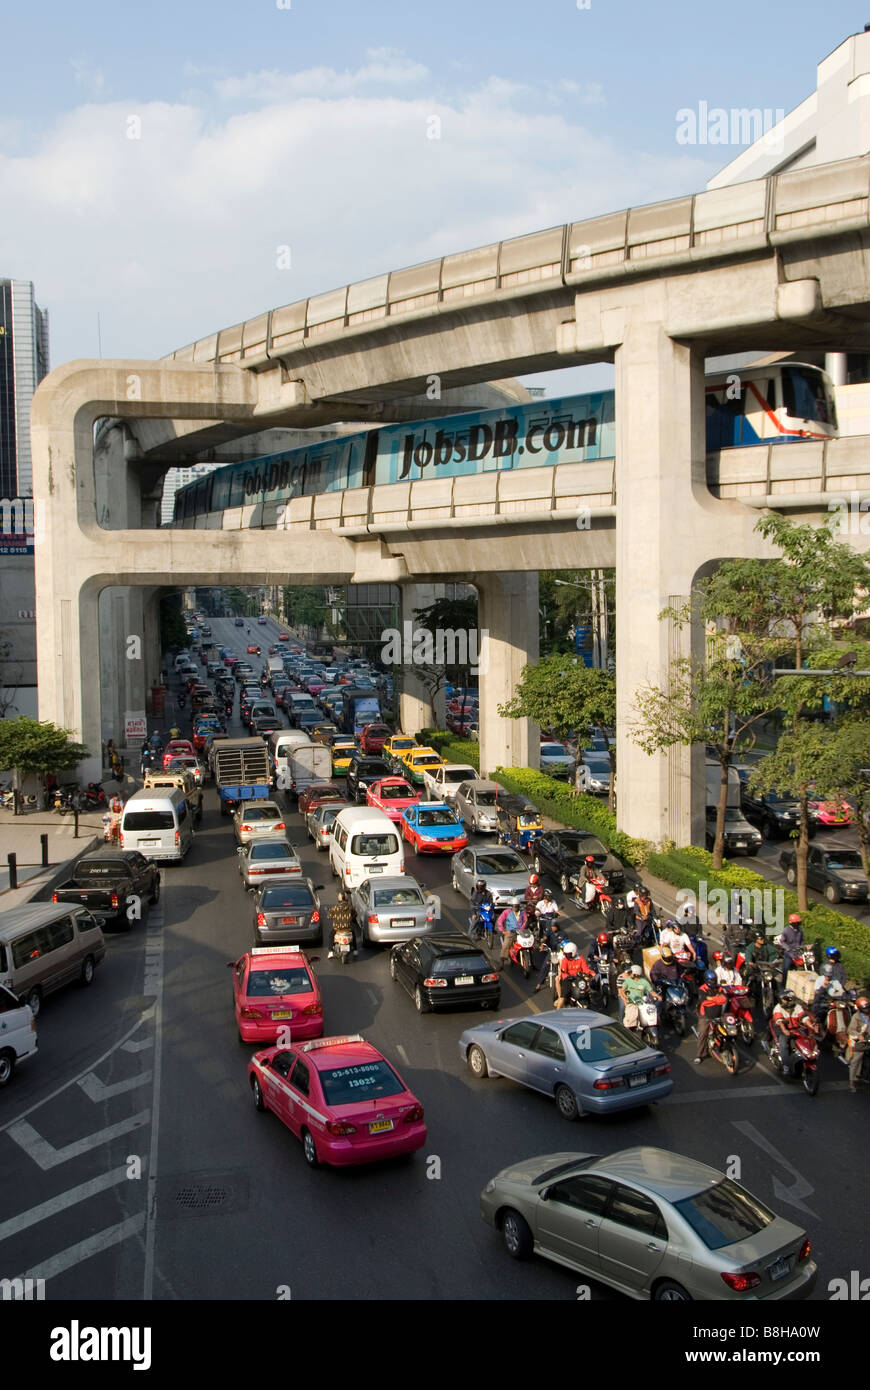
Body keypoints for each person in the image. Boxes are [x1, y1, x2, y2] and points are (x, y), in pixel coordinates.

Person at [771, 989, 815, 1075]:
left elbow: (804, 1017)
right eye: (784, 999)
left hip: (796, 1028)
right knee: (784, 1044)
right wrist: (785, 1030)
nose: (784, 1001)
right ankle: (786, 1066)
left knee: (807, 1039)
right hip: (783, 1029)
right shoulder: (778, 1008)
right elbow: (780, 1021)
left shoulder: (797, 1007)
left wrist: (811, 1026)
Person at [695, 971, 728, 1064]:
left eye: (714, 981)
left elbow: (724, 999)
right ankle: (699, 1055)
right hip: (705, 1015)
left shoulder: (720, 988)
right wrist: (717, 999)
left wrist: (711, 999)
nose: (713, 983)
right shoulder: (702, 989)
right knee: (702, 1034)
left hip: (718, 1015)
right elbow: (703, 1001)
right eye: (711, 981)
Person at [554, 941, 595, 1008]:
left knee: (587, 991)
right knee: (563, 997)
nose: (567, 956)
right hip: (569, 980)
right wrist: (568, 976)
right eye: (566, 954)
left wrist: (590, 973)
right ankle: (557, 1011)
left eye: (569, 954)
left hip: (579, 979)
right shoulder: (565, 960)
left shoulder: (580, 959)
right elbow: (564, 972)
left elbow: (585, 969)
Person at [616, 962, 656, 1027]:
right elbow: (620, 991)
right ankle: (621, 1022)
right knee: (623, 1006)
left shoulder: (641, 979)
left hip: (638, 996)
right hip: (625, 996)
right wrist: (625, 1000)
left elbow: (648, 989)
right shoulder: (621, 978)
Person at [650, 945, 680, 1020]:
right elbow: (653, 974)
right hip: (662, 986)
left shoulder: (675, 963)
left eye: (669, 958)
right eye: (666, 958)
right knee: (659, 1001)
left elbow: (680, 970)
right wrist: (657, 981)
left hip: (674, 984)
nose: (668, 959)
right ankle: (657, 1017)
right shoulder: (658, 964)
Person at [847, 996, 870, 1092]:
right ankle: (852, 1082)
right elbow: (850, 1030)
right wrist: (858, 1036)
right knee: (855, 1062)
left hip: (869, 1040)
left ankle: (865, 1076)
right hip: (860, 1042)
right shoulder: (856, 1016)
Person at [777, 914, 804, 988]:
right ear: (792, 923)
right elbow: (782, 942)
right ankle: (784, 985)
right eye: (796, 923)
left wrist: (802, 947)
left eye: (798, 923)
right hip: (789, 952)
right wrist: (788, 949)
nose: (798, 924)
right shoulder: (786, 930)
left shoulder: (800, 931)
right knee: (786, 968)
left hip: (798, 952)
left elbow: (802, 941)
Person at [327, 890, 356, 959]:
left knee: (331, 936)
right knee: (353, 934)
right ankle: (355, 950)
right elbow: (355, 914)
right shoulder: (350, 907)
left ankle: (330, 952)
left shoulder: (335, 908)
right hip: (348, 929)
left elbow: (329, 916)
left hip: (337, 929)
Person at [497, 904, 520, 971]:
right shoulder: (506, 912)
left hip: (521, 932)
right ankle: (501, 963)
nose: (516, 907)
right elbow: (500, 921)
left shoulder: (522, 912)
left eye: (517, 906)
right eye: (514, 906)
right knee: (505, 946)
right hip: (510, 932)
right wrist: (503, 930)